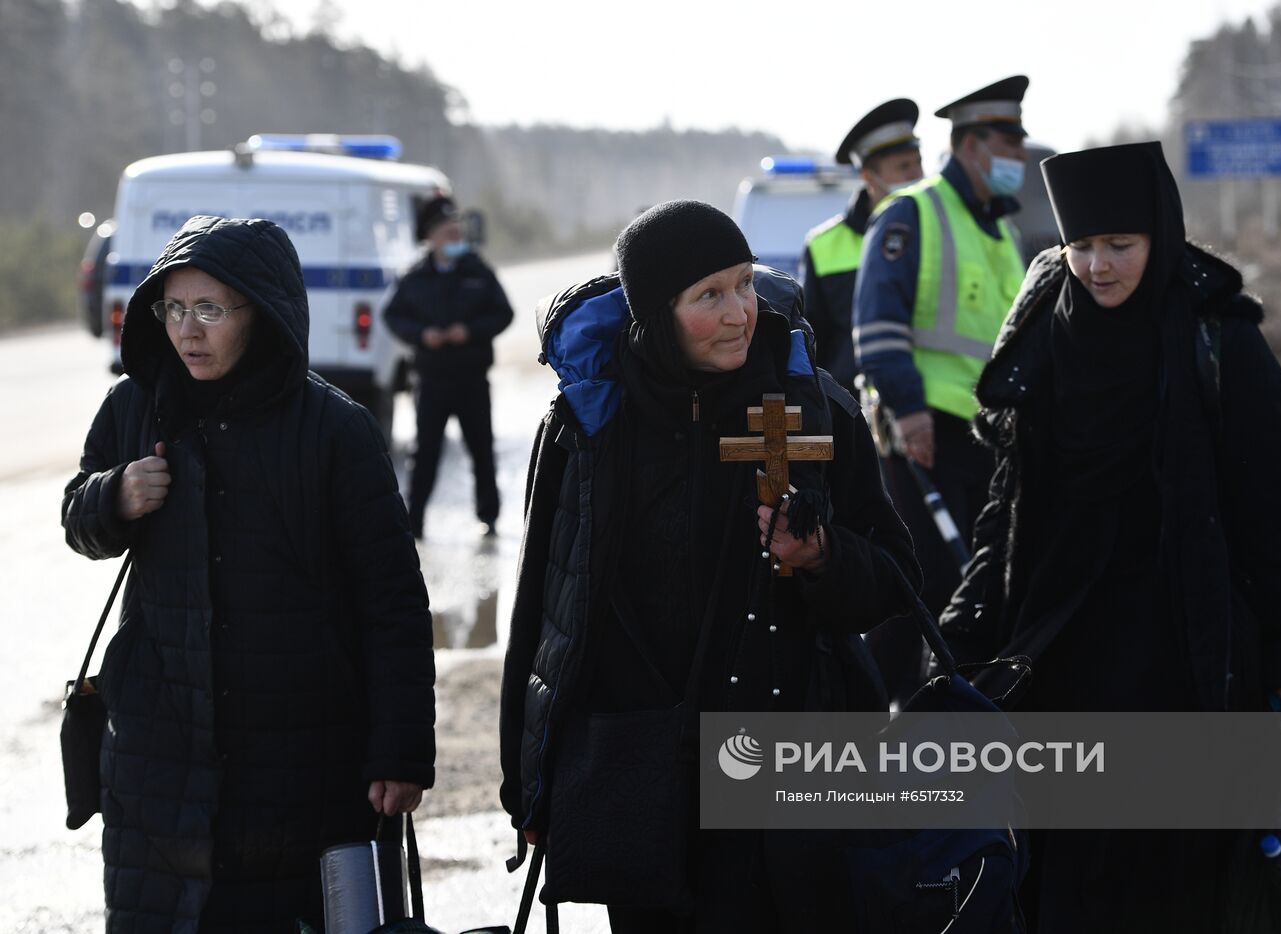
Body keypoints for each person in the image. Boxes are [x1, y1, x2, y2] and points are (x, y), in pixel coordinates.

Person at [499, 200, 921, 932]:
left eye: (744, 285)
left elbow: (895, 581)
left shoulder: (812, 411)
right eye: (708, 296)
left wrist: (822, 558)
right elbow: (544, 604)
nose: (739, 313)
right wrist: (528, 786)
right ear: (656, 313)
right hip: (637, 768)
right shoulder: (589, 424)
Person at [939, 142, 1281, 932]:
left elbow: (1276, 511)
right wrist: (966, 622)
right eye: (1080, 247)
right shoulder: (1045, 336)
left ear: (1160, 234)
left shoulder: (1219, 343)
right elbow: (1006, 500)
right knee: (1061, 869)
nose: (1098, 267)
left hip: (1180, 650)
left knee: (1173, 873)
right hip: (1060, 647)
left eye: (1120, 245)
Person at [62, 216, 437, 932]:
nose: (187, 331)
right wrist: (112, 495)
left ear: (261, 313)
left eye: (210, 309)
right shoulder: (136, 405)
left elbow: (391, 599)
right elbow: (78, 517)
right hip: (159, 759)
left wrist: (400, 748)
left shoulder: (335, 430)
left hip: (298, 758)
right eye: (173, 309)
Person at [852, 76, 1031, 706]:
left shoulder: (1002, 232)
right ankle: (881, 726)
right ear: (970, 144)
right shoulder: (913, 212)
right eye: (1007, 142)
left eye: (1018, 141)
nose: (1017, 153)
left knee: (973, 589)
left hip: (991, 442)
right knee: (923, 588)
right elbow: (876, 323)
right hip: (928, 435)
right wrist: (910, 410)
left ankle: (954, 718)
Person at [386, 195, 514, 539]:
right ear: (431, 236)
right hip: (432, 379)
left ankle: (489, 518)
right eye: (447, 232)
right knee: (425, 452)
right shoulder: (415, 277)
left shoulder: (477, 269)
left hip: (472, 377)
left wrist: (470, 331)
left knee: (481, 450)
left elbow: (504, 313)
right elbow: (393, 315)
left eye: (457, 231)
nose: (454, 237)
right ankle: (415, 522)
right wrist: (421, 335)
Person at [798, 98, 924, 394]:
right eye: (904, 166)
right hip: (855, 409)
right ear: (869, 176)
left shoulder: (943, 230)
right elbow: (815, 342)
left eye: (918, 163)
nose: (917, 176)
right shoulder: (823, 245)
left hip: (928, 401)